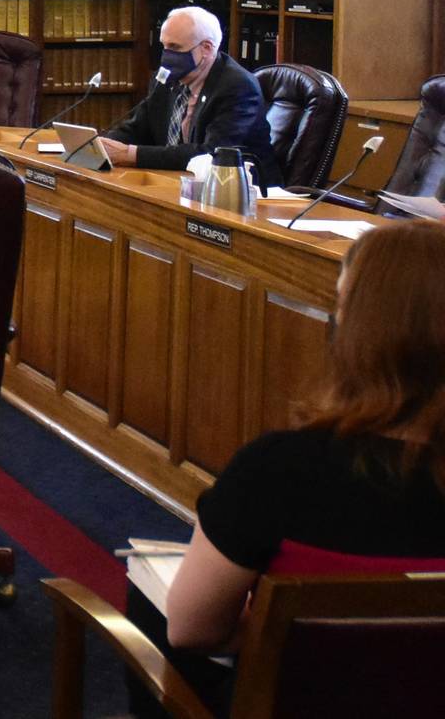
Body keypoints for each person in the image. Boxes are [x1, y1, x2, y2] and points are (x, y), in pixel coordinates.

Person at [123, 221, 445, 716]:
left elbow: (193, 629)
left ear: (362, 333)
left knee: (151, 603)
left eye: (341, 307)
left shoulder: (278, 470)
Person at [97, 5, 275, 183]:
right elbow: (136, 128)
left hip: (243, 192)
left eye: (174, 47)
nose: (166, 56)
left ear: (206, 48)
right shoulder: (166, 78)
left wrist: (131, 154)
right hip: (176, 182)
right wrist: (99, 147)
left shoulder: (237, 86)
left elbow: (212, 153)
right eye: (164, 46)